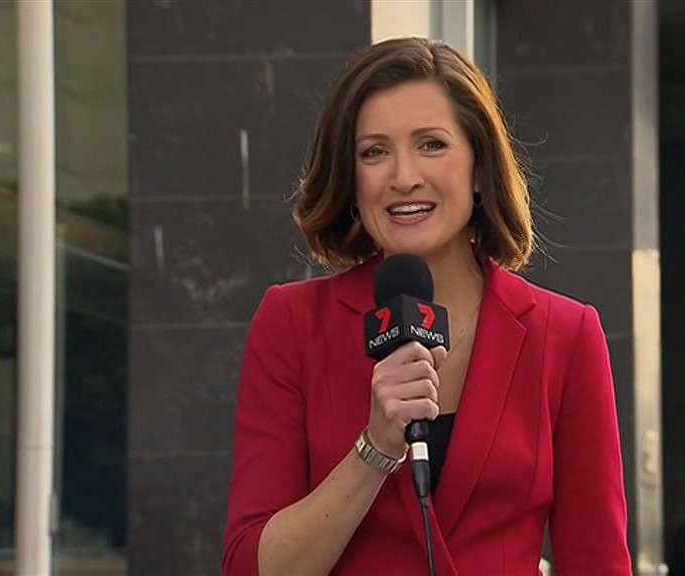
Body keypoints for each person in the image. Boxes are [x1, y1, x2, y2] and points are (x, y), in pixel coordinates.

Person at [221, 37, 631, 576]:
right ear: (351, 177)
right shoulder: (293, 325)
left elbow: (598, 562)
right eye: (374, 152)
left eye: (432, 145)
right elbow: (249, 567)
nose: (404, 177)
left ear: (479, 167)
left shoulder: (565, 334)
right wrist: (375, 448)